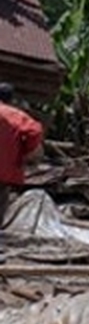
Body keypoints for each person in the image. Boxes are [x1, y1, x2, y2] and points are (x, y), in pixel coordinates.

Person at [0, 83, 43, 227]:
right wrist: (25, 152)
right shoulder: (16, 116)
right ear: (11, 99)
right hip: (4, 170)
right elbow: (35, 131)